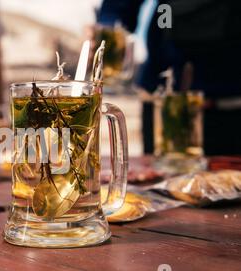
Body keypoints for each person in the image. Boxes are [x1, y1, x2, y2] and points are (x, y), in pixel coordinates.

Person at [97, 0, 241, 155]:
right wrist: (108, 28)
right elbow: (117, 9)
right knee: (161, 175)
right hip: (163, 98)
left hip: (232, 104)